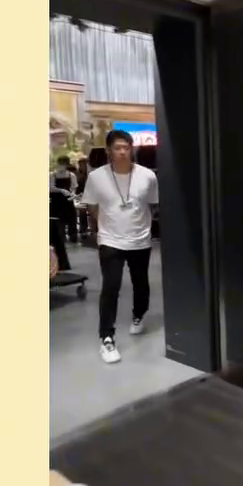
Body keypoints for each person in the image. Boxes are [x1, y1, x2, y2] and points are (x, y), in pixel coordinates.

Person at [81, 129, 159, 365]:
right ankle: (107, 337)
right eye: (118, 148)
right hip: (110, 240)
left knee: (140, 282)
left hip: (139, 239)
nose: (123, 152)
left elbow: (152, 205)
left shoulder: (147, 176)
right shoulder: (97, 177)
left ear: (131, 149)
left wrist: (138, 223)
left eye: (126, 147)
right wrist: (107, 224)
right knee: (110, 287)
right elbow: (92, 206)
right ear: (109, 151)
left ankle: (138, 315)